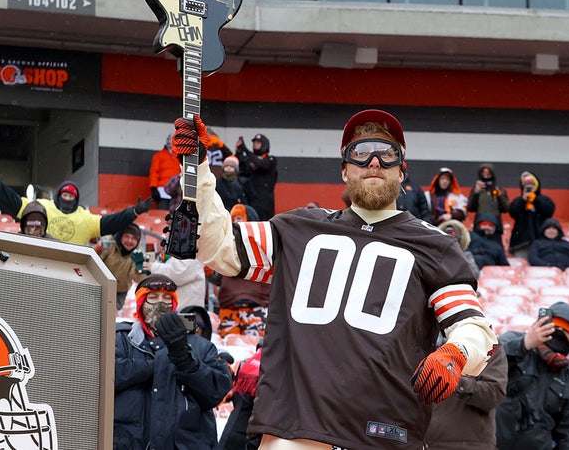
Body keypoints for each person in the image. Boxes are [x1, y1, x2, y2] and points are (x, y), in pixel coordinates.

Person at [171, 108, 497, 448]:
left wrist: (457, 352)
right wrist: (199, 168)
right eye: (360, 152)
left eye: (388, 154)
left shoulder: (436, 246)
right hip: (294, 432)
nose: (374, 162)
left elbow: (474, 326)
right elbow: (218, 246)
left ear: (403, 171)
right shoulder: (297, 229)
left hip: (386, 434)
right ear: (344, 170)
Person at [114, 274, 233, 449]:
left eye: (166, 297)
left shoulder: (200, 346)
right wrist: (155, 365)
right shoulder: (121, 339)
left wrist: (185, 359)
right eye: (152, 297)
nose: (160, 303)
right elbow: (108, 375)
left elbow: (216, 391)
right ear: (140, 304)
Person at [495, 301, 569, 450]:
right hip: (494, 442)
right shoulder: (514, 340)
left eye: (565, 331)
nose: (557, 333)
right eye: (554, 327)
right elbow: (485, 363)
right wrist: (524, 344)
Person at [0, 174, 152, 246]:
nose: (67, 199)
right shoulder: (42, 206)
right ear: (58, 196)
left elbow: (110, 223)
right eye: (64, 195)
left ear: (77, 199)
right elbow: (13, 203)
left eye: (71, 197)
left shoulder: (86, 219)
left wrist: (133, 212)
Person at [425, 343, 507, 449]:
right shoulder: (418, 340)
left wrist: (454, 379)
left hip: (467, 445)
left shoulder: (487, 344)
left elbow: (494, 394)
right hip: (419, 443)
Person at [215, 203, 270, 338]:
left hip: (255, 305)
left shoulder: (263, 244)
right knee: (230, 349)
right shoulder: (225, 245)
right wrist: (211, 272)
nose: (235, 222)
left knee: (254, 349)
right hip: (229, 305)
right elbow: (220, 279)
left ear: (250, 219)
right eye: (233, 219)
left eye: (239, 217)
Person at [217, 340, 264, 450]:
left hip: (232, 430)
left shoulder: (245, 365)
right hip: (253, 438)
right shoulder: (275, 373)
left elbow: (233, 396)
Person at [96, 222, 145, 310]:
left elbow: (137, 278)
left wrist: (139, 268)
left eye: (133, 238)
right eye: (127, 236)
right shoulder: (109, 243)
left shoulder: (139, 253)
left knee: (111, 313)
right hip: (100, 285)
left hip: (120, 291)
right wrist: (98, 250)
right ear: (121, 235)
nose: (129, 241)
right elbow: (94, 261)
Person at [508, 171, 555, 259]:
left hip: (541, 242)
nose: (529, 187)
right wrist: (523, 200)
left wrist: (535, 199)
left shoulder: (544, 200)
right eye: (526, 184)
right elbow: (513, 212)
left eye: (532, 184)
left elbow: (548, 211)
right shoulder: (518, 201)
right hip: (521, 242)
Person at [235, 133, 277, 221]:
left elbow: (261, 164)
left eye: (258, 142)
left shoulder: (271, 159)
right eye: (254, 142)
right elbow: (239, 167)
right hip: (252, 198)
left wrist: (245, 149)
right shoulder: (249, 159)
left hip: (265, 201)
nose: (255, 144)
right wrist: (239, 152)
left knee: (265, 224)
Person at [467, 163, 509, 229]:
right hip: (479, 224)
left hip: (495, 225)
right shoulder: (476, 191)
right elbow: (470, 208)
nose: (486, 177)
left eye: (488, 175)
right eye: (483, 175)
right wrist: (476, 193)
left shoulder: (499, 190)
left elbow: (506, 208)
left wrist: (499, 195)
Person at [149, 133, 182, 210]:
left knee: (175, 218)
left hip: (177, 192)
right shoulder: (158, 156)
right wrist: (153, 188)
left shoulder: (181, 156)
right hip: (162, 193)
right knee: (161, 215)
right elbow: (154, 172)